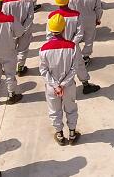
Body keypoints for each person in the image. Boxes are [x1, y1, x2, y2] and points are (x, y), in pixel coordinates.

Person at [40, 14, 82, 146]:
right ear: (64, 28)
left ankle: (60, 135)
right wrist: (63, 84)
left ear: (50, 29)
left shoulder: (43, 49)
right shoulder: (72, 47)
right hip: (68, 86)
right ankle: (72, 134)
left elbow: (44, 71)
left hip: (52, 88)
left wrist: (56, 85)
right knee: (71, 108)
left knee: (54, 111)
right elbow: (74, 69)